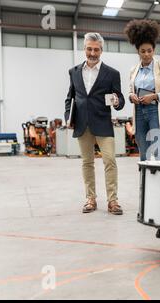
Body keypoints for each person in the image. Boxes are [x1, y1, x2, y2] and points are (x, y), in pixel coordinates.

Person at [64, 32, 125, 215]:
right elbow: (70, 98)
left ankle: (113, 201)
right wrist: (68, 116)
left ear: (101, 50)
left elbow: (120, 100)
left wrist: (116, 101)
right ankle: (90, 199)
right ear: (84, 48)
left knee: (110, 160)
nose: (92, 53)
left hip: (103, 123)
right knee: (87, 162)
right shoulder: (74, 72)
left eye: (96, 49)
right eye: (89, 49)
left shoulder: (112, 73)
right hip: (82, 123)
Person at [124, 19, 160, 162]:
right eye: (143, 51)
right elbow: (130, 91)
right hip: (139, 112)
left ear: (154, 50)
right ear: (137, 51)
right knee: (143, 153)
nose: (146, 54)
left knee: (158, 151)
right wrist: (131, 96)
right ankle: (145, 183)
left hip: (155, 112)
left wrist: (154, 96)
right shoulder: (133, 71)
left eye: (149, 51)